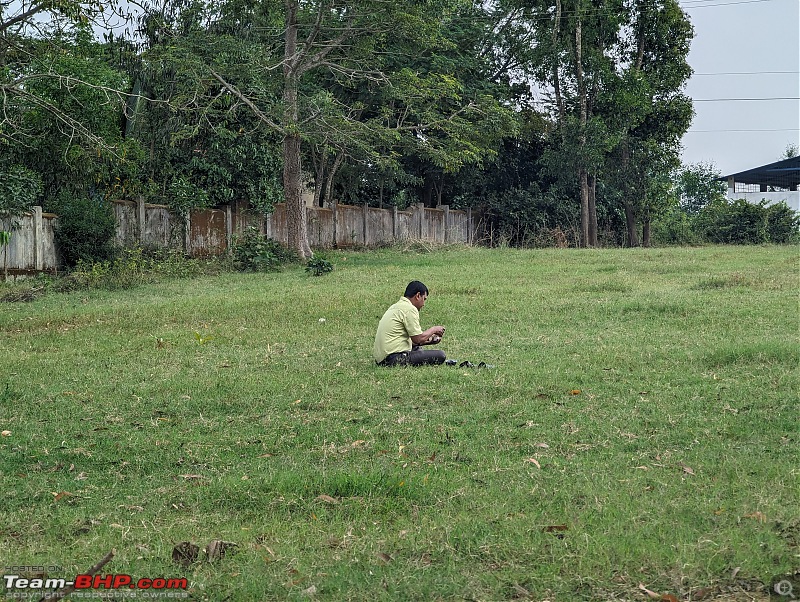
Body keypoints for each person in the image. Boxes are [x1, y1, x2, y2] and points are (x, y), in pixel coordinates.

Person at [373, 281, 447, 367]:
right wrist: (434, 329)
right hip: (393, 359)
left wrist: (429, 341)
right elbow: (418, 339)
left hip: (382, 359)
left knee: (417, 349)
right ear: (418, 295)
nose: (423, 304)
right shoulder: (410, 309)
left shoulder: (395, 307)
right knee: (440, 355)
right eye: (424, 299)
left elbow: (411, 341)